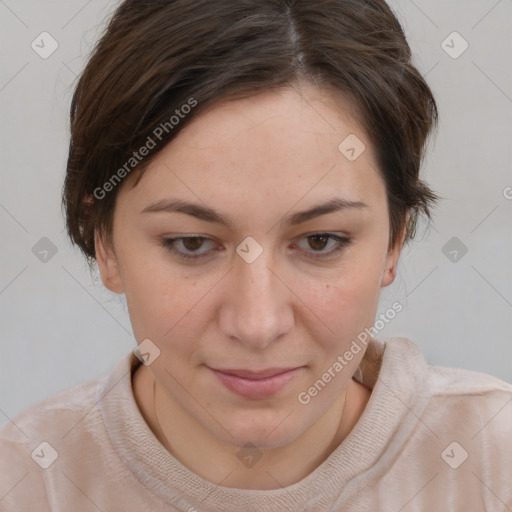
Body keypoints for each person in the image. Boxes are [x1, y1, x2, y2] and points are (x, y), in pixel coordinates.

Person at [1, 0, 511, 510]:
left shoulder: (492, 458)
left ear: (395, 241)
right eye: (192, 244)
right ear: (105, 244)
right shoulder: (27, 481)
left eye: (320, 241)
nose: (257, 324)